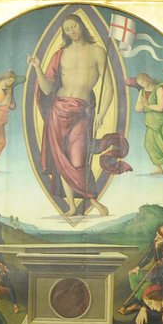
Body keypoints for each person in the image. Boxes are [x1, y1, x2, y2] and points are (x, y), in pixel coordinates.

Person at [28, 13, 128, 216]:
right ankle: (72, 206)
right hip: (58, 109)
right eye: (67, 29)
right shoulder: (60, 54)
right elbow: (47, 89)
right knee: (61, 159)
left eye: (74, 26)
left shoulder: (98, 51)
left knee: (77, 159)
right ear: (64, 33)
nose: (72, 31)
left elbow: (109, 87)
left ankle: (93, 202)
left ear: (81, 26)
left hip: (81, 111)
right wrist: (38, 68)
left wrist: (101, 113)